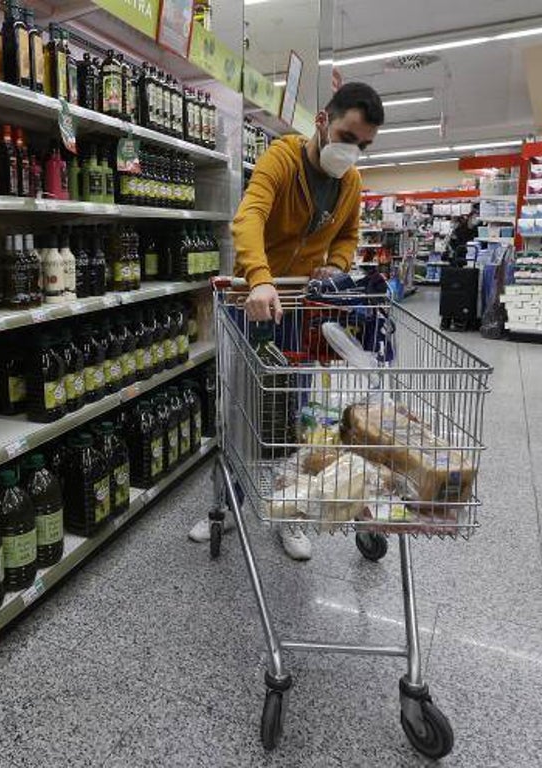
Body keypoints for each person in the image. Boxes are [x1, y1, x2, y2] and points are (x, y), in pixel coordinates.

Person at [189, 82, 384, 560]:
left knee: (290, 414)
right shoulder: (282, 158)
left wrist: (336, 268)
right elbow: (249, 217)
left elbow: (349, 234)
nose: (352, 151)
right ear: (322, 120)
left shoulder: (351, 183)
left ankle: (288, 510)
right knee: (238, 412)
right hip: (252, 302)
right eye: (346, 136)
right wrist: (258, 278)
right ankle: (227, 503)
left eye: (363, 145)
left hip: (299, 309)